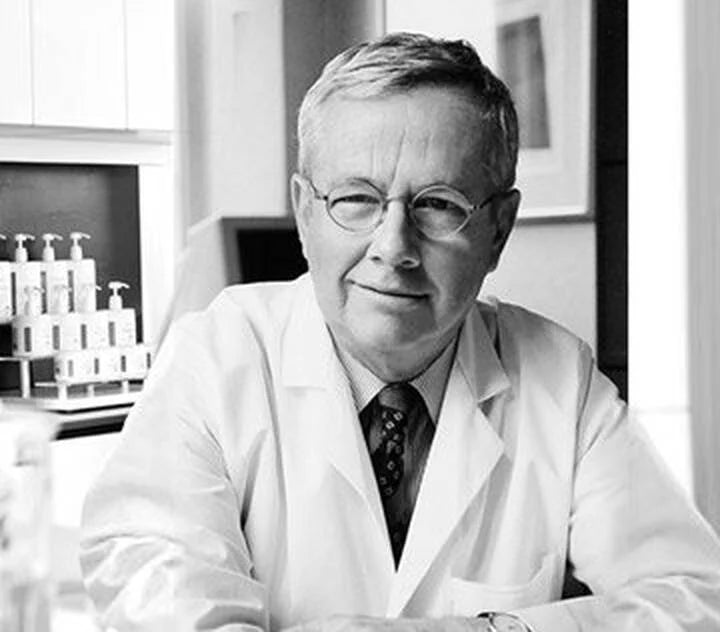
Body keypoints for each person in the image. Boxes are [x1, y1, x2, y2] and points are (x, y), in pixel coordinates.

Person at [81, 33, 720, 631]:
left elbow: (692, 599)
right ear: (305, 213)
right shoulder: (216, 357)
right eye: (356, 199)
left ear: (498, 229)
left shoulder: (561, 378)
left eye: (438, 204)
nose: (393, 247)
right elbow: (160, 583)